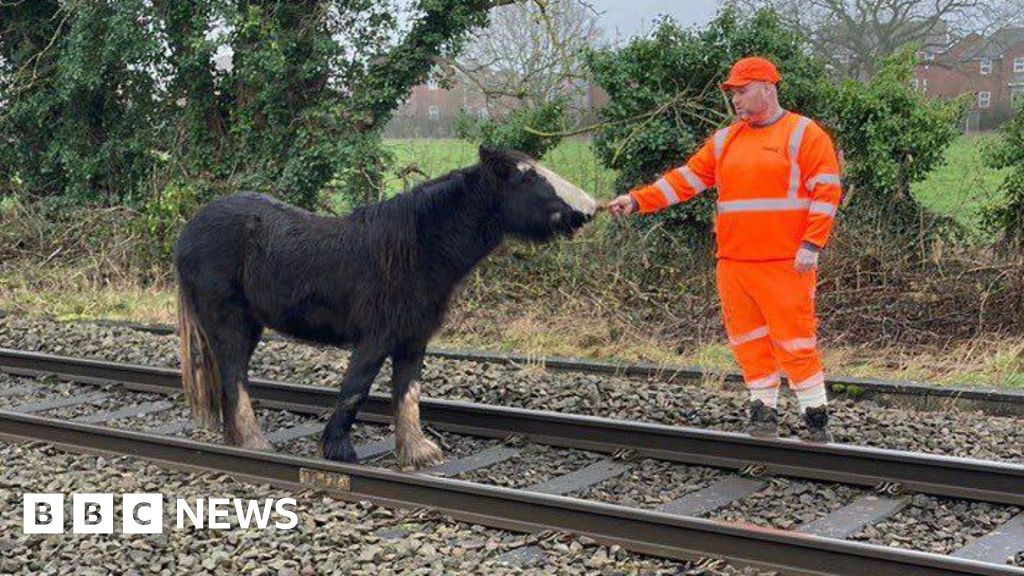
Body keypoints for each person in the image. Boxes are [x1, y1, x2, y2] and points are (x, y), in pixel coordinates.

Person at [607, 56, 842, 442]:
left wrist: (812, 243)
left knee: (795, 341)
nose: (736, 100)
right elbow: (686, 180)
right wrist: (637, 201)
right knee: (747, 342)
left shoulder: (804, 133)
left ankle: (815, 419)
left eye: (743, 92)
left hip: (785, 262)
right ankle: (762, 414)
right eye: (732, 94)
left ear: (768, 87)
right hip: (734, 263)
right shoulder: (725, 139)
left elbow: (827, 191)